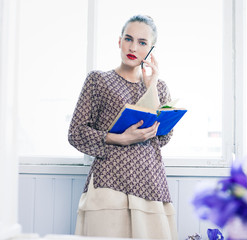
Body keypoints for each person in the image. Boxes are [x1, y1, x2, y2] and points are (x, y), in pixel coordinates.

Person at [68, 15, 177, 239]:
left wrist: (152, 85)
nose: (133, 47)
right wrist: (119, 138)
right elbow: (76, 133)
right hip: (108, 183)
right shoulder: (98, 80)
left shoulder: (159, 87)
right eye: (128, 39)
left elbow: (163, 138)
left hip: (150, 184)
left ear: (151, 50)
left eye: (142, 42)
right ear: (119, 41)